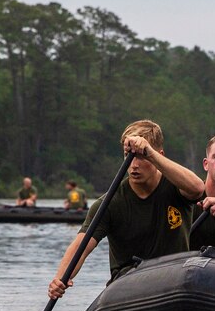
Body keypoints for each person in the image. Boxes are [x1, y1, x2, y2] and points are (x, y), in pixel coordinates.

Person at [47, 120, 205, 299]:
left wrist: (149, 153)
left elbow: (198, 188)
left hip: (172, 281)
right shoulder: (109, 203)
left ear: (158, 154)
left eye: (140, 157)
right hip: (128, 287)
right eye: (128, 155)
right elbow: (80, 247)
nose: (134, 165)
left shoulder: (177, 186)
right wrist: (60, 279)